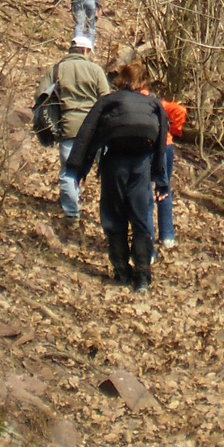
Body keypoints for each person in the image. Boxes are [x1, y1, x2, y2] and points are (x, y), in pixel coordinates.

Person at [62, 58, 167, 292]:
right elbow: (162, 141)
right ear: (142, 82)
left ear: (122, 80)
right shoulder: (153, 104)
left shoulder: (109, 101)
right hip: (141, 164)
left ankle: (120, 270)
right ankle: (142, 276)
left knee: (113, 216)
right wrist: (161, 180)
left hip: (115, 162)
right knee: (141, 220)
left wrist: (77, 169)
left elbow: (87, 134)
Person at [44, 35, 110, 230]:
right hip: (94, 130)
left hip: (68, 127)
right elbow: (106, 99)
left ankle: (72, 214)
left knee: (68, 172)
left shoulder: (56, 70)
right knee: (106, 172)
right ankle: (110, 215)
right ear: (85, 51)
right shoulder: (96, 70)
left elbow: (41, 97)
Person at [142, 87, 186, 252]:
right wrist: (174, 130)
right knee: (164, 188)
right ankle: (167, 235)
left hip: (145, 147)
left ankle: (149, 239)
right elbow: (180, 111)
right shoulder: (158, 102)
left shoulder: (133, 101)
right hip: (165, 145)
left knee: (145, 191)